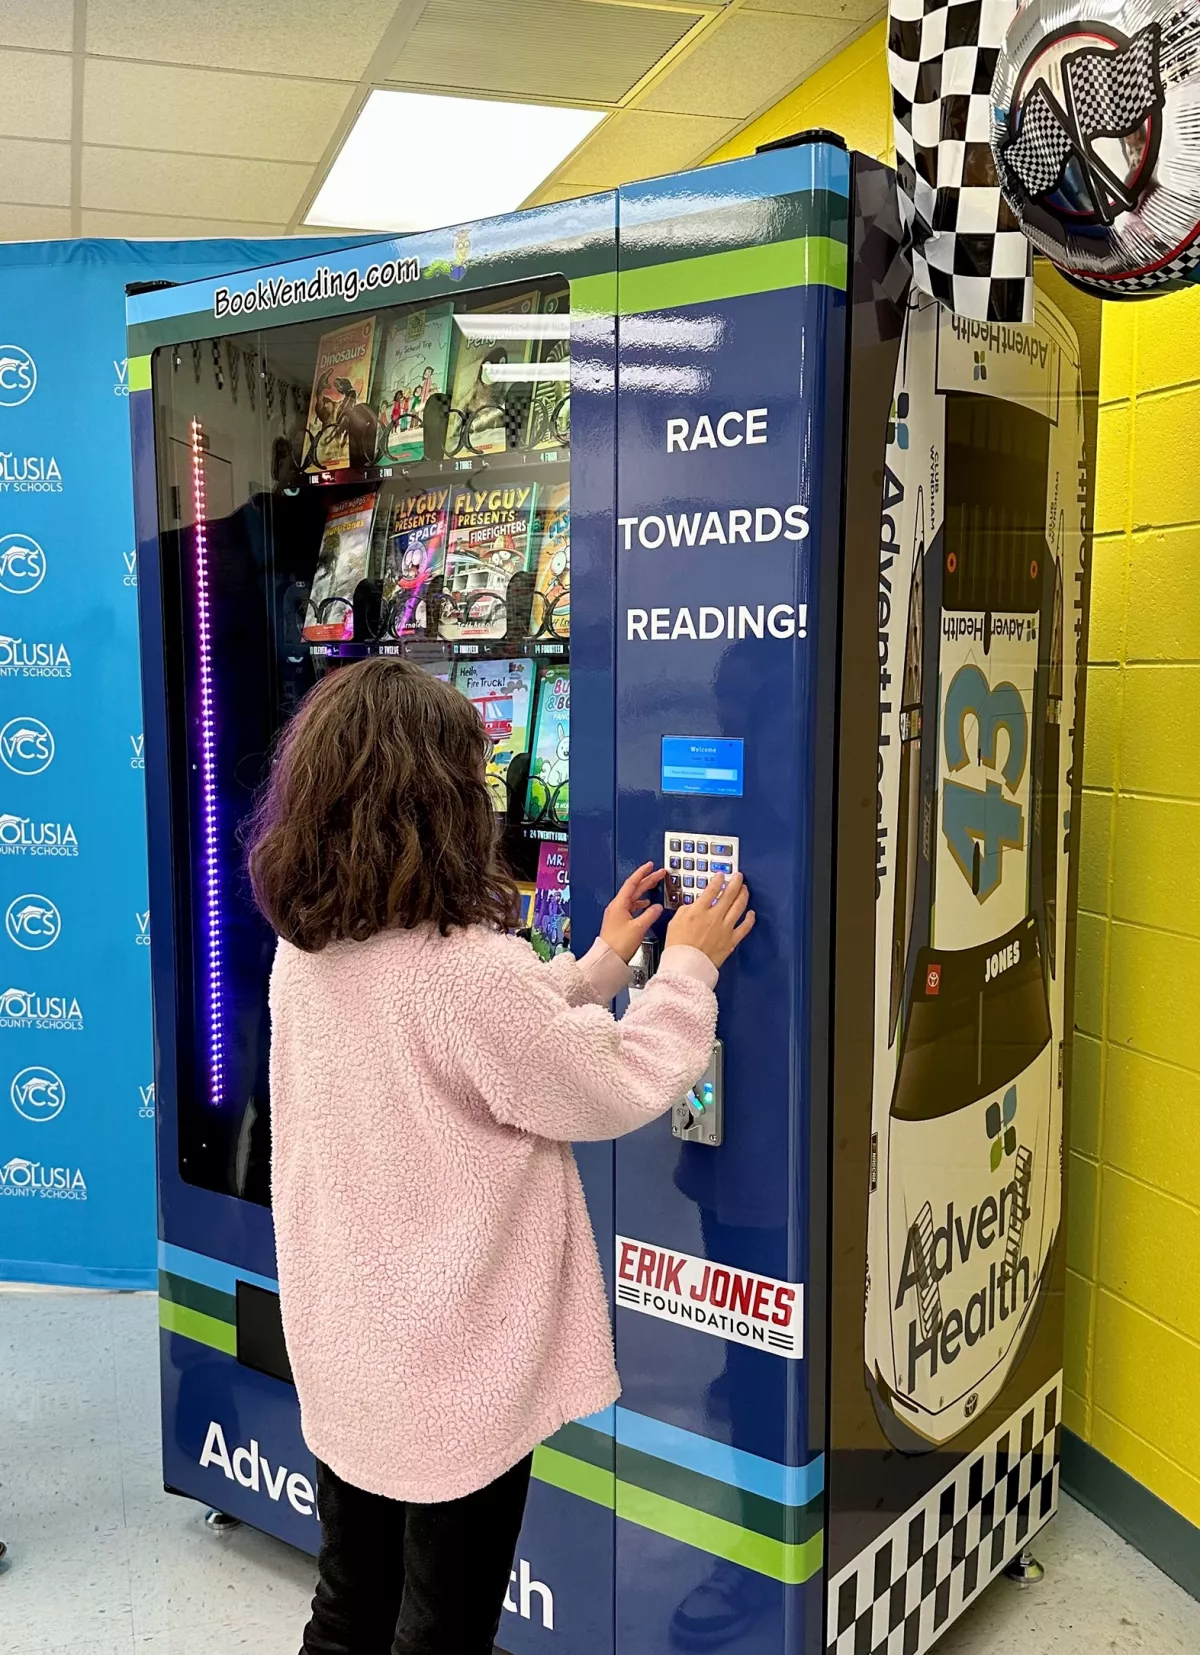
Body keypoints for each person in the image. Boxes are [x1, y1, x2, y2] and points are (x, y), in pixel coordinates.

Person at [246, 657, 754, 1655]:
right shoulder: (466, 971)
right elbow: (610, 1081)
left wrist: (599, 965)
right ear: (443, 799)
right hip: (452, 1369)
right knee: (444, 1629)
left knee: (348, 1603)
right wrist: (687, 967)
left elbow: (473, 1044)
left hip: (349, 1344)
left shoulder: (306, 947)